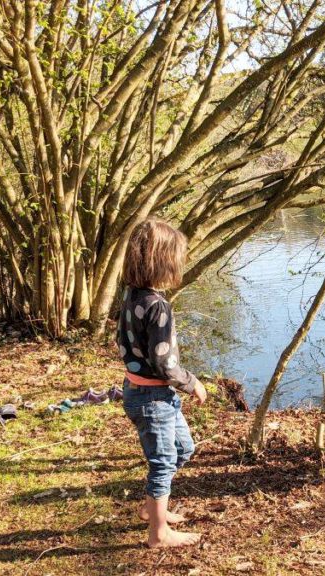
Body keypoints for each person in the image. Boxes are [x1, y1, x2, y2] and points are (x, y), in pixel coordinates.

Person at [118, 219, 208, 548]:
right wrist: (192, 382)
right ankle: (158, 534)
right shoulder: (157, 307)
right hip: (152, 397)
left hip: (141, 392)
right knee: (162, 462)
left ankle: (152, 509)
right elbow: (165, 363)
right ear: (163, 261)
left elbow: (125, 344)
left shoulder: (132, 297)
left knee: (183, 449)